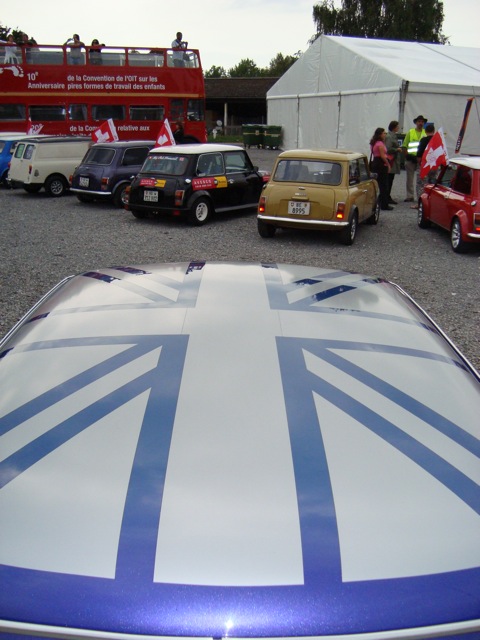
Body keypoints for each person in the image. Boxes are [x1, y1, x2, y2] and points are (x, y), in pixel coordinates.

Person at [402, 115, 427, 202]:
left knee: (422, 179)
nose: (420, 123)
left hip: (421, 159)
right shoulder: (411, 132)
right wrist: (407, 156)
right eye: (419, 121)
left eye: (422, 122)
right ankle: (410, 196)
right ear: (416, 123)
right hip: (411, 158)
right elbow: (404, 145)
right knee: (410, 178)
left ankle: (421, 195)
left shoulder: (425, 133)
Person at [412, 123, 436, 208]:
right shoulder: (437, 140)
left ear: (425, 131)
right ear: (434, 131)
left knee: (421, 184)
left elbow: (419, 153)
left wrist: (419, 163)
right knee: (432, 184)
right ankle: (432, 202)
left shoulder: (424, 140)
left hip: (424, 165)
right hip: (434, 165)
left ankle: (421, 203)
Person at [370, 127, 393, 210]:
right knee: (384, 185)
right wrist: (388, 164)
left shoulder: (373, 143)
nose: (385, 134)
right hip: (381, 165)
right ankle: (384, 204)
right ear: (380, 134)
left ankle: (376, 202)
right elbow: (383, 156)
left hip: (375, 163)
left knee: (376, 183)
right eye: (384, 133)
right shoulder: (380, 144)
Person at [385, 120, 401, 204]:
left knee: (390, 179)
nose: (398, 128)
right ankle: (386, 197)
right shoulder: (389, 137)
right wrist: (397, 149)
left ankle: (387, 196)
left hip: (393, 161)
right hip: (390, 161)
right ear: (394, 127)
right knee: (389, 180)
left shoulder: (393, 136)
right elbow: (388, 148)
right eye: (397, 126)